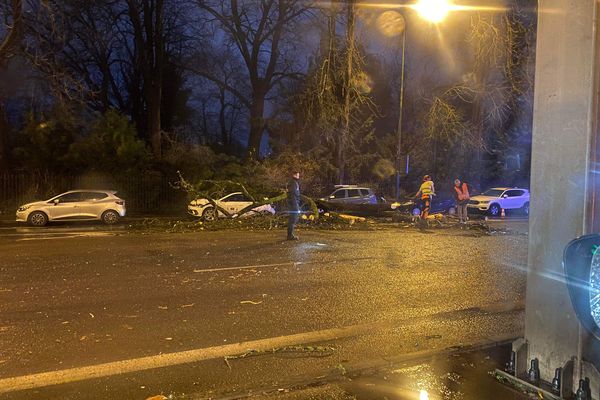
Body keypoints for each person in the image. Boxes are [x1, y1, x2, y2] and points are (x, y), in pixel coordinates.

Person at [286, 171, 301, 240]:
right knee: (292, 220)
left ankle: (290, 235)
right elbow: (293, 195)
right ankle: (290, 236)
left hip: (292, 204)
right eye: (298, 175)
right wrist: (296, 206)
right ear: (294, 175)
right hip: (293, 205)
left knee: (292, 220)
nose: (299, 176)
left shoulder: (292, 182)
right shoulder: (293, 183)